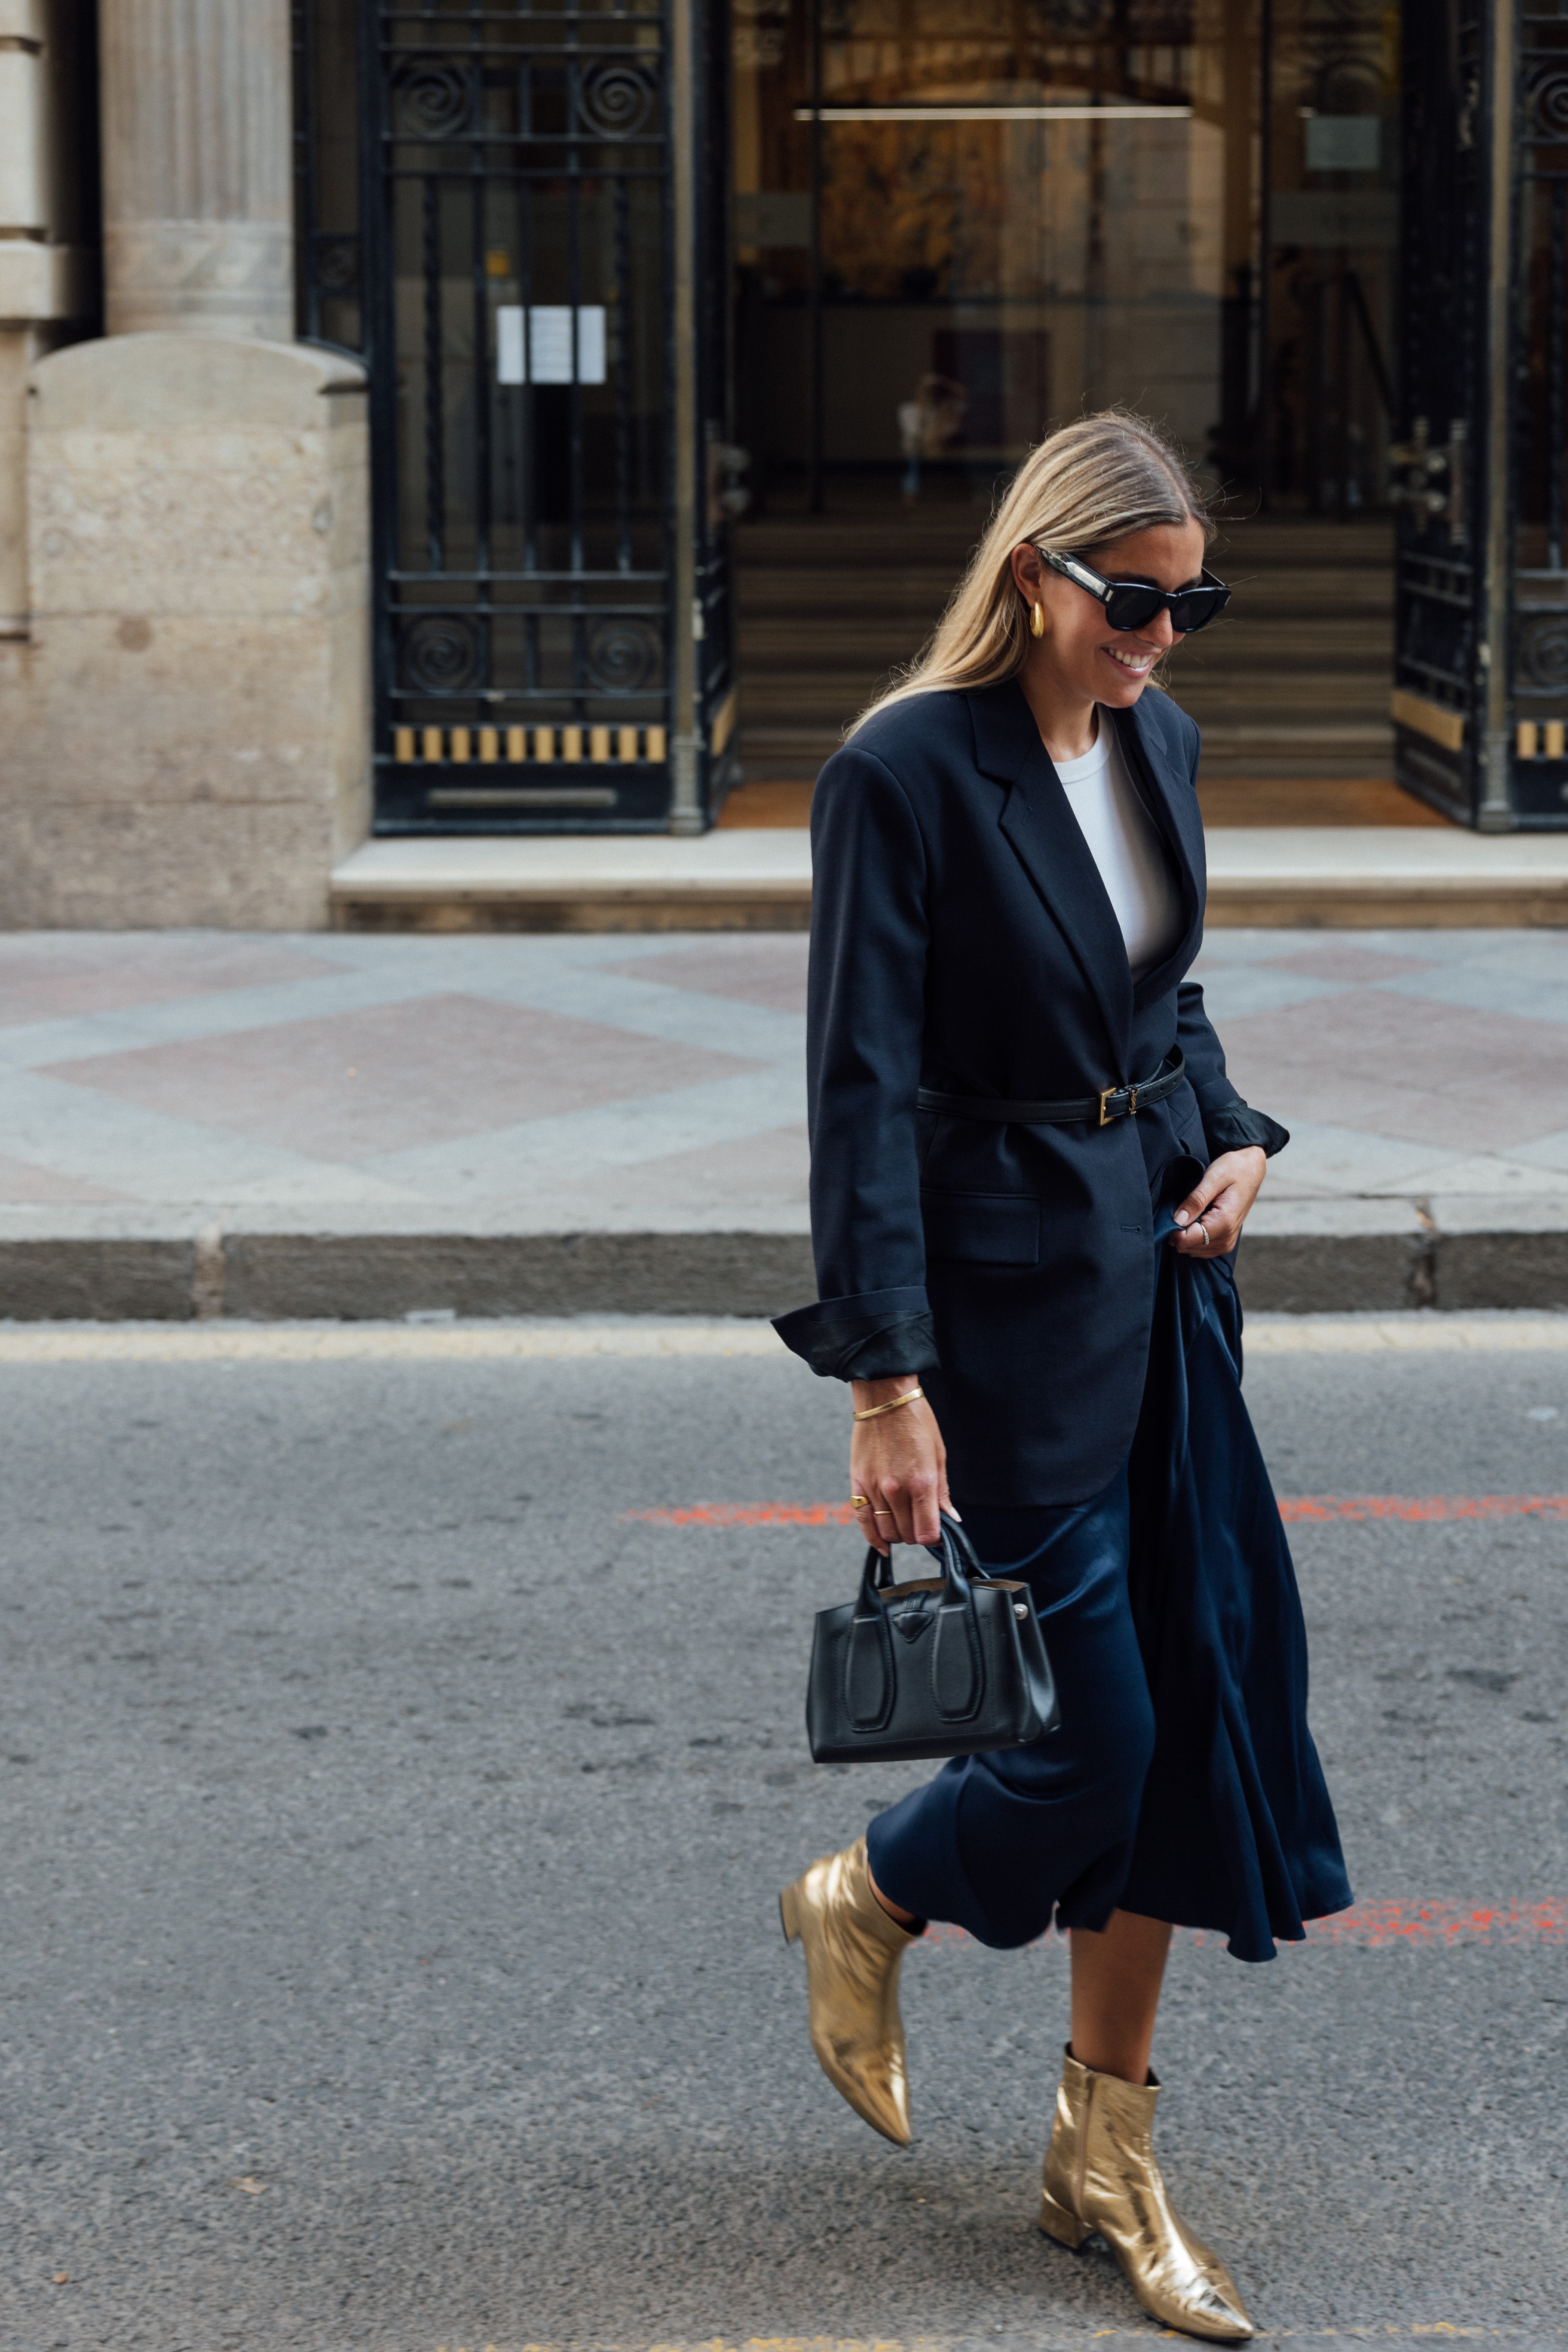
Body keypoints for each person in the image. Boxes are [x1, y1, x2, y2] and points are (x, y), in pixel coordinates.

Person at [772, 411, 1351, 2343]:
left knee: (1179, 1713)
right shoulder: (905, 771)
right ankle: (870, 1893)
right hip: (1000, 1304)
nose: (1164, 639)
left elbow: (1161, 998)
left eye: (1195, 607)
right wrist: (883, 1378)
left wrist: (1239, 1129)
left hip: (1160, 1272)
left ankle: (1103, 2150)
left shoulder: (1158, 745)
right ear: (1037, 572)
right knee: (1086, 1738)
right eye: (1134, 602)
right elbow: (858, 1094)